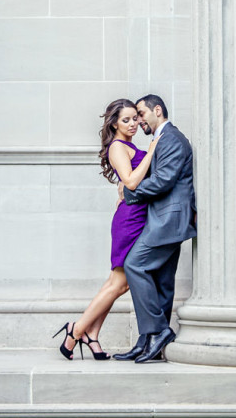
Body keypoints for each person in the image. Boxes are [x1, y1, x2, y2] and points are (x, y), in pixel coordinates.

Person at [53, 98, 159, 361]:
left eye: (135, 118)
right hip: (129, 220)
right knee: (120, 283)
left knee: (118, 284)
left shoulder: (129, 146)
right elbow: (132, 181)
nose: (134, 123)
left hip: (136, 216)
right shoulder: (117, 147)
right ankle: (75, 331)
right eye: (126, 120)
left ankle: (92, 334)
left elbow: (127, 184)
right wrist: (153, 150)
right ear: (114, 123)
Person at [113, 93, 196, 364]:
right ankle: (147, 339)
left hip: (169, 219)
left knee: (135, 265)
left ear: (157, 110)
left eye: (140, 113)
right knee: (161, 282)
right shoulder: (161, 139)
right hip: (164, 219)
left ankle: (159, 331)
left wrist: (129, 193)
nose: (138, 119)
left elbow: (163, 181)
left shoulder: (171, 138)